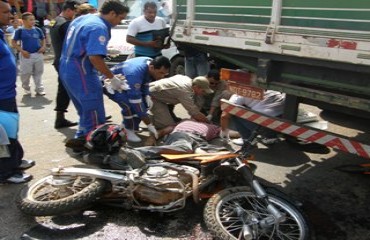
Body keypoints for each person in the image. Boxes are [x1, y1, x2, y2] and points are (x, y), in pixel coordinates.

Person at [59, 0, 129, 149]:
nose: (119, 22)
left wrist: (105, 50)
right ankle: (92, 143)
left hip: (66, 66)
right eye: (120, 18)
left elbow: (79, 43)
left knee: (83, 107)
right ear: (111, 13)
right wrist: (112, 77)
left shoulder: (83, 18)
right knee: (93, 108)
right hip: (81, 69)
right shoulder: (98, 27)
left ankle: (83, 137)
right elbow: (94, 57)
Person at [0, 0, 35, 184]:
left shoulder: (0, 32)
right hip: (1, 96)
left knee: (10, 131)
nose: (12, 16)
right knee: (3, 136)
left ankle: (15, 161)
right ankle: (5, 173)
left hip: (7, 93)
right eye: (6, 12)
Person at [104, 56, 170, 142]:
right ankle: (128, 130)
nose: (162, 77)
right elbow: (135, 101)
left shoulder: (150, 64)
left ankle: (130, 126)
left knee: (145, 104)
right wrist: (149, 124)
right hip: (111, 83)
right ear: (152, 67)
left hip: (125, 82)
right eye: (161, 73)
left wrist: (146, 95)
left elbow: (145, 81)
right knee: (129, 106)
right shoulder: (135, 73)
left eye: (165, 74)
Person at [49, 0, 80, 129]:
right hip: (66, 61)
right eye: (75, 12)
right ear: (68, 10)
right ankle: (88, 114)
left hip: (58, 59)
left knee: (64, 89)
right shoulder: (66, 24)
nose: (75, 15)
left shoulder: (54, 21)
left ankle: (60, 118)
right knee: (74, 88)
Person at [220, 90, 286, 146]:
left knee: (234, 112)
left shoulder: (237, 96)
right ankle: (270, 137)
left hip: (265, 126)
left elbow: (224, 116)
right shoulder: (269, 90)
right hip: (284, 127)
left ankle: (248, 139)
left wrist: (224, 134)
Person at [11, 11, 46, 96]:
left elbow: (43, 39)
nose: (33, 21)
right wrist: (22, 51)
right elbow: (13, 42)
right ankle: (26, 87)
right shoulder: (20, 31)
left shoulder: (38, 29)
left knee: (38, 72)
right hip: (26, 55)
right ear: (24, 21)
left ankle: (39, 89)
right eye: (30, 20)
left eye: (33, 20)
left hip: (37, 54)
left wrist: (43, 47)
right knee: (25, 73)